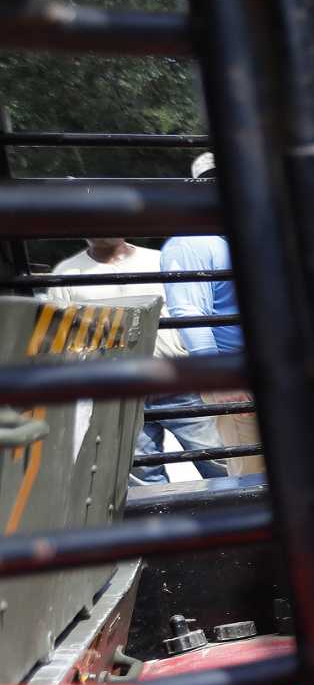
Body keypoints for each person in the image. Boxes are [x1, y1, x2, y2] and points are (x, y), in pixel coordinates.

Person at [46, 230, 229, 484]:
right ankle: (161, 522)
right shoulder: (66, 274)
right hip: (121, 393)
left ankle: (236, 511)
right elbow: (65, 338)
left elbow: (195, 308)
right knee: (144, 474)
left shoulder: (160, 260)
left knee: (221, 459)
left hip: (179, 381)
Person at [156, 152, 245, 481]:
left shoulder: (241, 236)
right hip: (236, 378)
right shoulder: (191, 243)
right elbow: (189, 313)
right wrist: (219, 380)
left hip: (270, 374)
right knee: (252, 473)